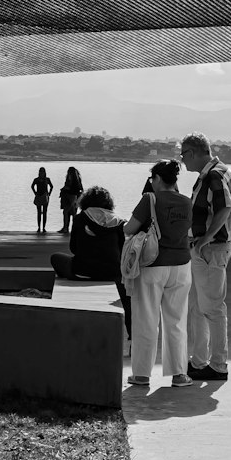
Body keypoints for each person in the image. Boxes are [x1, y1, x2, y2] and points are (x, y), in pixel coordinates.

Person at [123, 159, 193, 389]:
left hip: (153, 265)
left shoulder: (150, 199)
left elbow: (129, 229)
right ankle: (179, 374)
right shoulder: (187, 201)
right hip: (182, 265)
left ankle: (142, 375)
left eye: (153, 179)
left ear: (158, 179)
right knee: (176, 321)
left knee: (146, 319)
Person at [180, 132, 231, 381]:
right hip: (209, 248)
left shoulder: (213, 174)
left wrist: (206, 238)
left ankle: (218, 364)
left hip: (211, 249)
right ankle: (201, 361)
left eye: (184, 155)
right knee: (200, 307)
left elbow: (226, 206)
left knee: (211, 307)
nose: (182, 161)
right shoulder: (220, 171)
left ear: (193, 152)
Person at [50, 185, 132, 336]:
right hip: (112, 273)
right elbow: (121, 251)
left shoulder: (80, 218)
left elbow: (74, 248)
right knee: (128, 299)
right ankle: (133, 336)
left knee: (55, 258)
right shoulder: (119, 222)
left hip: (83, 271)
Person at [59, 166, 83, 233]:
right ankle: (72, 228)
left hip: (70, 197)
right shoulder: (77, 179)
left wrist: (65, 189)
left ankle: (66, 228)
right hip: (74, 197)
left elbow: (71, 188)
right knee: (72, 213)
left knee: (67, 212)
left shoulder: (71, 179)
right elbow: (80, 189)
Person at [31, 167, 53, 234]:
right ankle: (38, 227)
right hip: (39, 196)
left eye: (43, 172)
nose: (41, 173)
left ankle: (43, 227)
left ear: (45, 173)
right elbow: (32, 186)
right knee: (39, 212)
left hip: (45, 196)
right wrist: (35, 193)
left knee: (45, 212)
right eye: (40, 172)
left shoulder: (47, 179)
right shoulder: (36, 180)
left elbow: (52, 186)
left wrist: (49, 194)